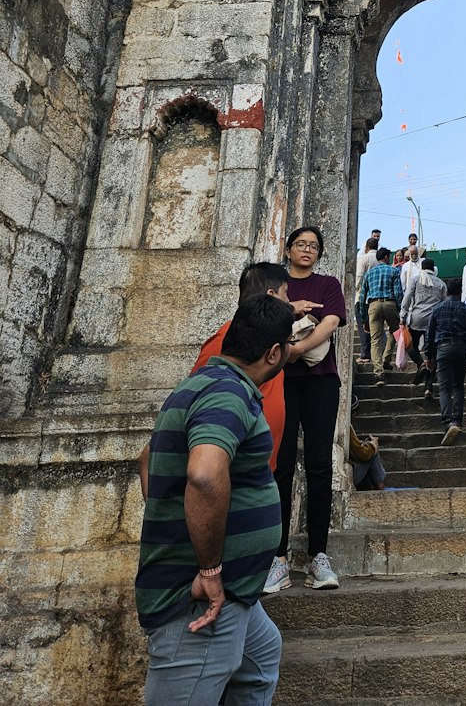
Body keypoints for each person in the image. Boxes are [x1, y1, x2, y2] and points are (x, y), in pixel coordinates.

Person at [136, 294, 293, 705]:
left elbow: (147, 461)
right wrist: (207, 567)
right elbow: (205, 475)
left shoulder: (204, 382)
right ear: (274, 353)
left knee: (261, 657)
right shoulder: (229, 394)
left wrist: (171, 519)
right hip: (201, 598)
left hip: (235, 591)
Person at [267, 226, 346, 596]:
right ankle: (278, 557)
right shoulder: (275, 282)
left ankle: (319, 555)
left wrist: (296, 350)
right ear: (287, 248)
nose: (307, 250)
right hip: (279, 381)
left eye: (314, 246)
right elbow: (259, 318)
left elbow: (331, 322)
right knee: (279, 464)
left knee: (319, 464)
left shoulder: (328, 284)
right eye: (301, 244)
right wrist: (289, 308)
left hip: (319, 379)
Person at [191, 262, 319, 472]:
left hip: (259, 467)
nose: (289, 302)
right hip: (233, 471)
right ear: (271, 295)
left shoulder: (270, 340)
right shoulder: (225, 339)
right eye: (285, 294)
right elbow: (200, 397)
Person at [425, 276, 466, 445]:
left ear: (447, 292)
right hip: (462, 349)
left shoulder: (438, 309)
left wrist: (429, 355)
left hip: (443, 348)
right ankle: (457, 421)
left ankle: (447, 422)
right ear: (461, 292)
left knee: (444, 387)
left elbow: (430, 333)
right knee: (458, 386)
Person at [400, 255, 447, 393]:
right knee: (432, 353)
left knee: (410, 345)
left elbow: (407, 298)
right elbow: (444, 304)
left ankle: (420, 364)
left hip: (417, 318)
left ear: (422, 268)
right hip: (434, 322)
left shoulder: (415, 279)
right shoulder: (441, 284)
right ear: (433, 269)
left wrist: (402, 315)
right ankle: (429, 387)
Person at [360, 245, 403, 383]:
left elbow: (362, 296)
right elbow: (398, 293)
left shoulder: (369, 273)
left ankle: (378, 372)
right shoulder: (394, 271)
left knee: (376, 339)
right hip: (390, 304)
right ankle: (386, 358)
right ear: (386, 257)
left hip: (373, 305)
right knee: (395, 332)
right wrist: (400, 309)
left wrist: (363, 316)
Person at [354, 236, 379, 367]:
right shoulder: (380, 261)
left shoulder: (363, 259)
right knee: (374, 327)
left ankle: (365, 354)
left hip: (362, 298)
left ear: (366, 247)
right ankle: (375, 354)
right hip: (375, 298)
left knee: (362, 326)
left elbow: (358, 277)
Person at [349, 424, 388, 491]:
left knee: (370, 449)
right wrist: (373, 444)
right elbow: (363, 454)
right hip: (351, 477)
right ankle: (380, 486)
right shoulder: (345, 426)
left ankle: (376, 486)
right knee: (372, 453)